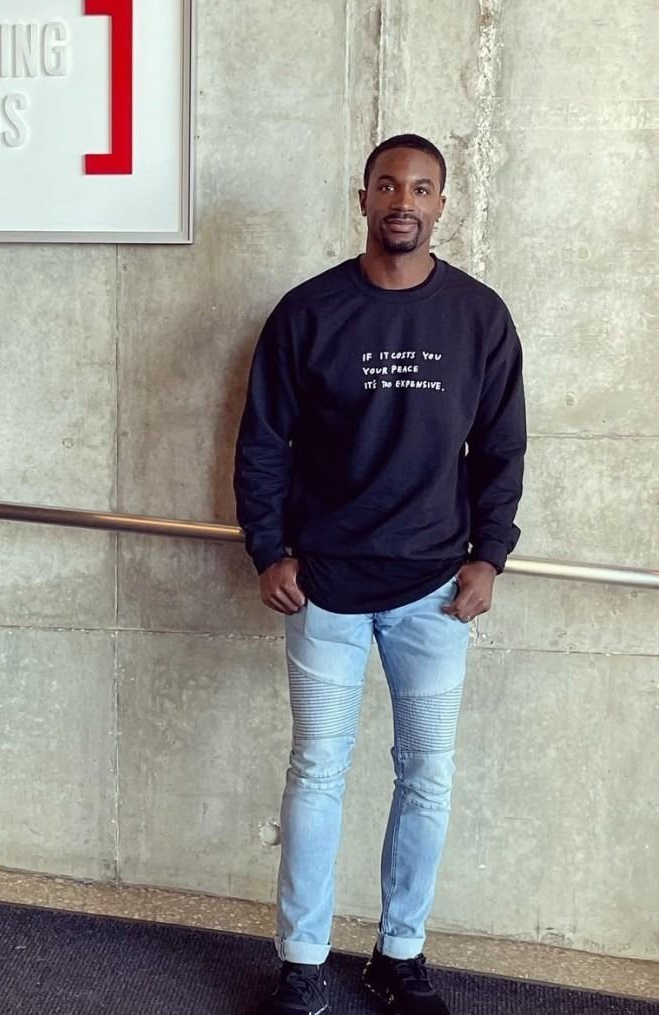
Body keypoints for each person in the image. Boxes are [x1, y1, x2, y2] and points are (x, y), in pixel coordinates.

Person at [233, 134, 526, 1015]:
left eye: (423, 187)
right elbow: (262, 443)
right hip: (323, 586)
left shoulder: (478, 317)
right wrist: (268, 547)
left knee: (426, 774)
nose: (406, 199)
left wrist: (489, 555)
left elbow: (501, 448)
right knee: (318, 770)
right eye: (390, 184)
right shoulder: (309, 312)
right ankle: (302, 963)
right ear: (363, 196)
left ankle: (399, 956)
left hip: (436, 590)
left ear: (443, 203)